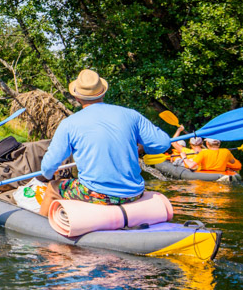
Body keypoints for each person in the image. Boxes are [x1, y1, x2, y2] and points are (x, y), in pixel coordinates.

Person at [36, 69, 172, 214]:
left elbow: (48, 167)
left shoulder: (69, 124)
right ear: (103, 93)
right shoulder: (131, 115)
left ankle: (42, 230)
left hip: (96, 194)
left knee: (52, 188)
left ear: (77, 98)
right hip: (134, 194)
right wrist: (142, 148)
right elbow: (163, 143)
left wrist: (50, 174)